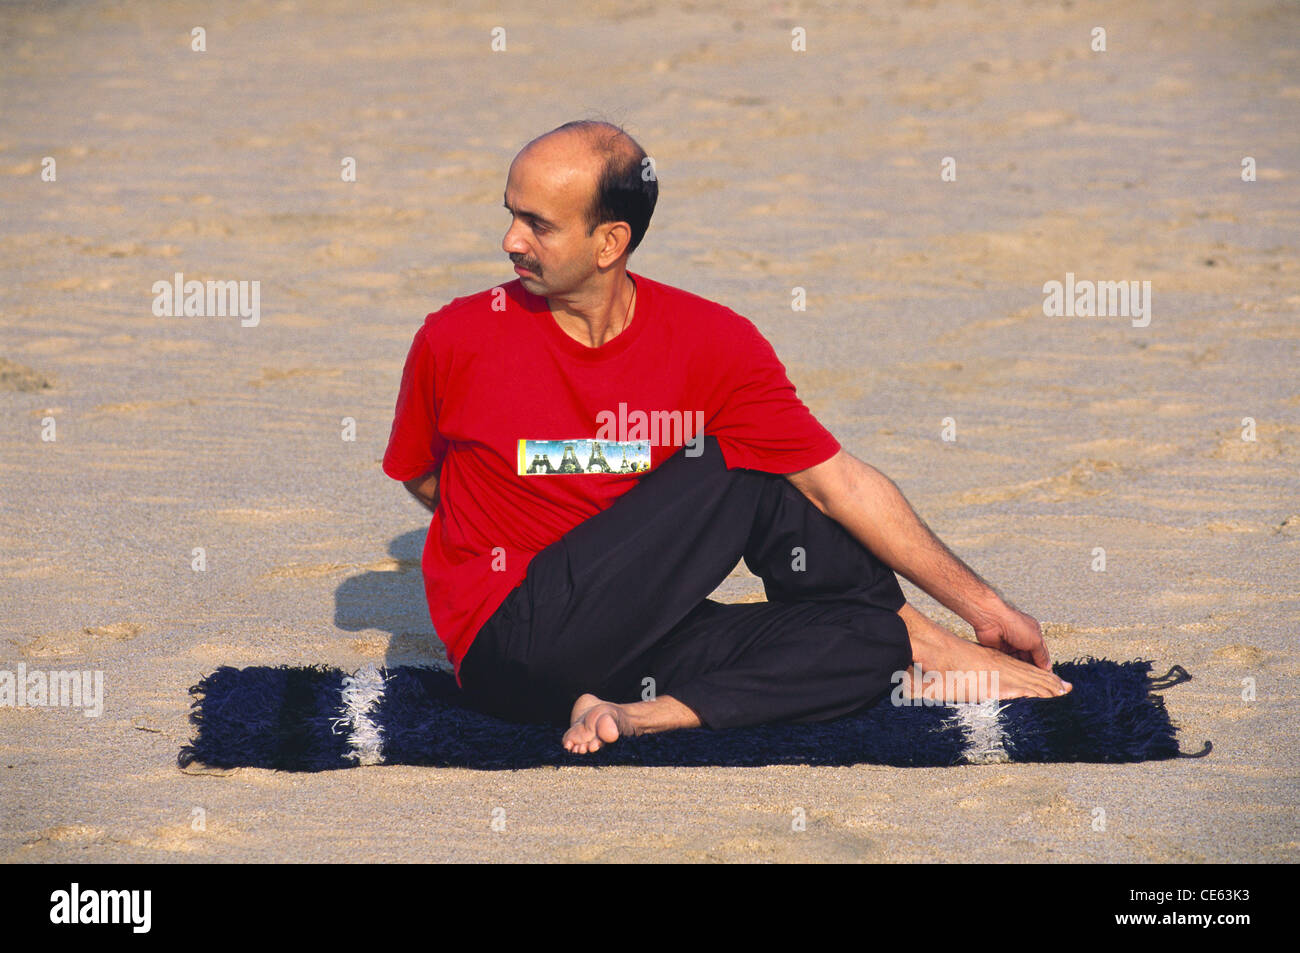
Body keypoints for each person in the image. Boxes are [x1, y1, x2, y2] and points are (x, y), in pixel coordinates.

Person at [383, 119, 1071, 755]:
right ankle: (927, 645)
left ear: (609, 242)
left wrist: (987, 608)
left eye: (537, 223)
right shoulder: (456, 339)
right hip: (514, 642)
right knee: (738, 459)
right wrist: (520, 525)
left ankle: (643, 714)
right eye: (510, 213)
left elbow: (840, 483)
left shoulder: (711, 342)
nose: (510, 239)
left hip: (639, 639)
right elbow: (422, 476)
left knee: (870, 640)